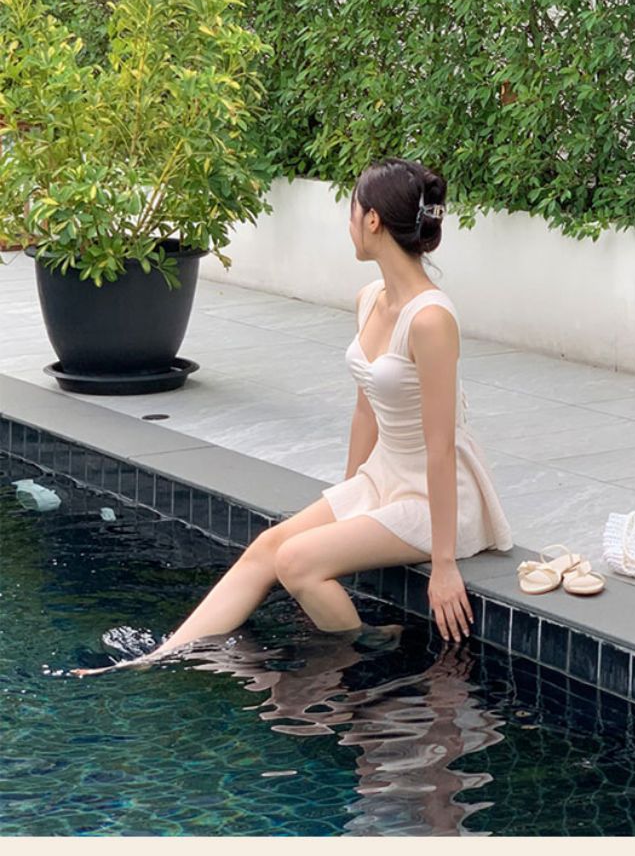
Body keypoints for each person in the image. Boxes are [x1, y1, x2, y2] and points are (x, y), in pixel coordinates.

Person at [70, 156, 513, 677]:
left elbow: (440, 448)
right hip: (384, 477)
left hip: (434, 497)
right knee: (267, 548)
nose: (349, 222)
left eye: (353, 210)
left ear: (372, 220)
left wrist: (443, 565)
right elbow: (365, 412)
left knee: (297, 563)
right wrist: (348, 499)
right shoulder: (370, 299)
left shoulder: (431, 319)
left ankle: (373, 652)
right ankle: (159, 658)